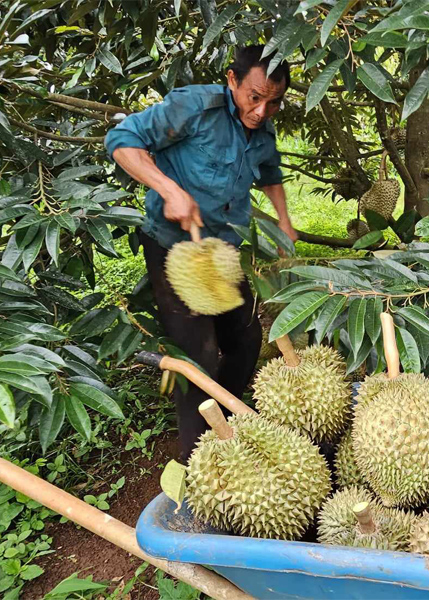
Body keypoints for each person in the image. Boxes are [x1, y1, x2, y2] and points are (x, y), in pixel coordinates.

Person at [105, 45, 298, 461]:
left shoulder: (262, 128)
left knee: (246, 339)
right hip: (173, 248)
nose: (261, 111)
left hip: (220, 250)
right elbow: (121, 139)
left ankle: (224, 422)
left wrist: (283, 219)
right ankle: (198, 462)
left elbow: (269, 172)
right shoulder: (193, 107)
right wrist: (169, 189)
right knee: (199, 357)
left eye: (273, 102)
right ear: (232, 80)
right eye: (254, 97)